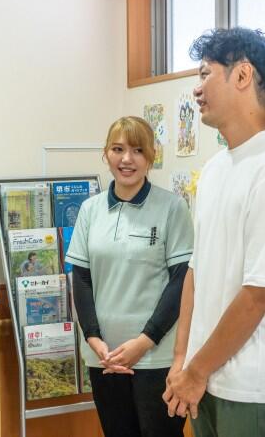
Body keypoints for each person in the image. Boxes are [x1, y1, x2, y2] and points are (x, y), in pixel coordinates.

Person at [162, 27, 265, 437]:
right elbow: (197, 269)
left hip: (253, 386)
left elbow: (259, 293)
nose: (197, 89)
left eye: (206, 73)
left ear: (242, 76)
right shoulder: (214, 169)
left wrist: (196, 370)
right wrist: (182, 360)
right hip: (204, 374)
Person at [66, 116, 194, 437]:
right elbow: (81, 278)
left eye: (137, 150)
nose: (127, 159)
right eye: (118, 149)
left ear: (151, 156)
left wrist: (144, 341)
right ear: (106, 154)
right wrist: (93, 337)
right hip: (105, 358)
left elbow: (181, 282)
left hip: (156, 357)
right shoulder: (90, 210)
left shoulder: (172, 207)